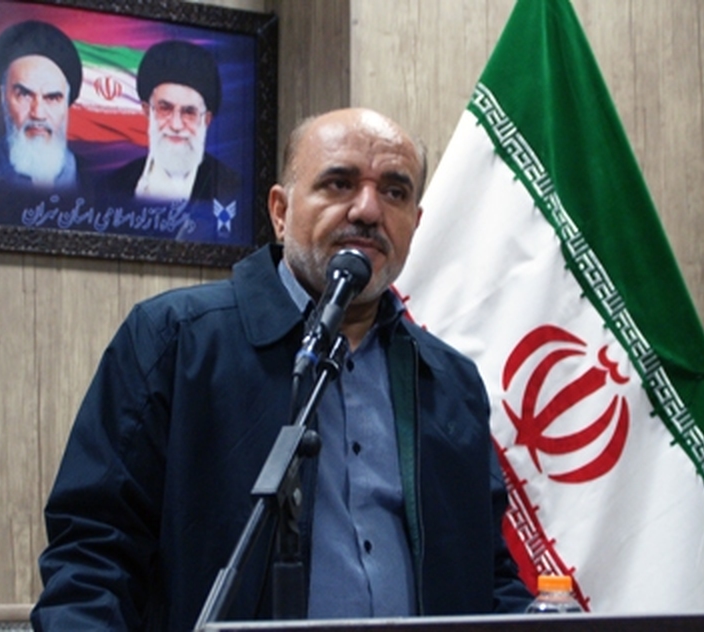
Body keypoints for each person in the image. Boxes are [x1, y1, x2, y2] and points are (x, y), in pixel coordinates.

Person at [31, 108, 532, 631]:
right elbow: (93, 557)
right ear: (280, 210)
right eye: (339, 184)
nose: (368, 210)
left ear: (415, 223)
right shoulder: (175, 341)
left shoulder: (450, 382)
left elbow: (486, 575)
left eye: (394, 192)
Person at [103, 40, 242, 217]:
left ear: (206, 119)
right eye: (165, 109)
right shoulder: (115, 186)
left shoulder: (232, 188)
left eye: (189, 112)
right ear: (147, 111)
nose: (176, 125)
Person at [0, 20, 83, 191]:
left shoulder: (95, 180)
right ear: (3, 96)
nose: (38, 113)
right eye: (24, 95)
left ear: (66, 103)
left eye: (52, 98)